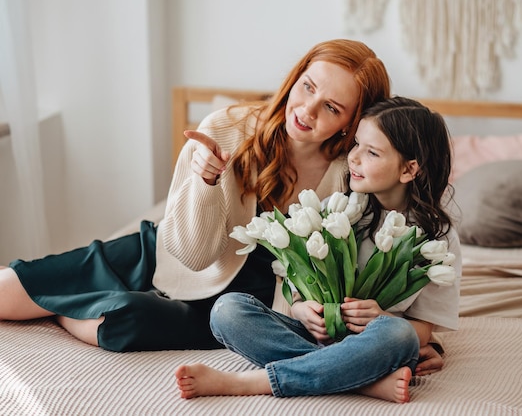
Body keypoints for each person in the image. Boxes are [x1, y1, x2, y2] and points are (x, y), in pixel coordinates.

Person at [0, 39, 395, 353]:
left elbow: (362, 264)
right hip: (171, 252)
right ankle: (64, 299)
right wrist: (206, 182)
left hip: (246, 297)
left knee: (121, 322)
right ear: (296, 77)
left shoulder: (352, 174)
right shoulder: (224, 128)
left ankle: (60, 311)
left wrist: (417, 333)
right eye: (307, 86)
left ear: (352, 122)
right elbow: (192, 252)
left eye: (331, 107)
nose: (306, 110)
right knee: (9, 290)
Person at [175, 96, 462, 403]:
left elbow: (421, 331)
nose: (354, 158)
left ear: (409, 169)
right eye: (356, 145)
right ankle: (359, 381)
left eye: (372, 153)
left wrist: (382, 317)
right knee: (227, 311)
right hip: (316, 336)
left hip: (376, 344)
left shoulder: (436, 239)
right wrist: (300, 309)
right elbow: (297, 290)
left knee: (401, 335)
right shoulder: (335, 211)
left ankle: (253, 382)